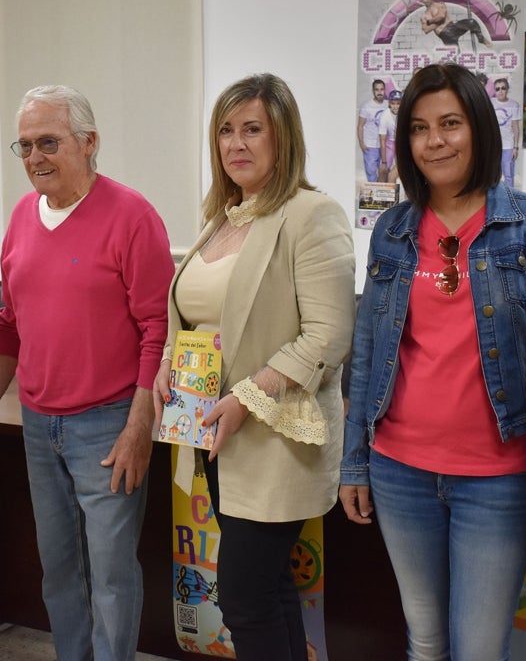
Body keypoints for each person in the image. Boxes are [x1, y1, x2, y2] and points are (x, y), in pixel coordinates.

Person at [340, 63, 526, 661]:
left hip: (501, 477)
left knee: (480, 649)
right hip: (399, 470)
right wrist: (354, 460)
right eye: (418, 127)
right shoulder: (393, 228)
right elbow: (368, 352)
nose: (434, 141)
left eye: (451, 124)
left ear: (480, 128)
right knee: (425, 640)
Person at [154, 73, 355, 661]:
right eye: (224, 130)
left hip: (274, 435)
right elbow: (196, 314)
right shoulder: (223, 218)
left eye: (252, 129)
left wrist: (249, 395)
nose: (236, 143)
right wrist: (170, 360)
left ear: (282, 137)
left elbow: (329, 333)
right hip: (216, 435)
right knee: (266, 589)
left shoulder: (311, 214)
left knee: (242, 596)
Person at [0, 85, 174, 661]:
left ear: (90, 143)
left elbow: (157, 331)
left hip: (110, 425)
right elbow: (10, 325)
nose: (35, 158)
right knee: (59, 570)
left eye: (49, 142)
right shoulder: (21, 218)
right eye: (24, 146)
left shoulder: (133, 216)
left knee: (113, 575)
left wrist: (138, 427)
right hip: (40, 426)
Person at [419, 0, 491, 49]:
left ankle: (481, 39)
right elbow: (426, 30)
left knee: (472, 22)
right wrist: (437, 21)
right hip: (444, 35)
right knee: (456, 56)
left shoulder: (439, 5)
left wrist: (430, 21)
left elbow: (441, 16)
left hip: (452, 28)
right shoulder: (424, 15)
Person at [491, 77, 522, 187]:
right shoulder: (490, 103)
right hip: (493, 146)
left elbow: (515, 127)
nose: (500, 91)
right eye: (497, 88)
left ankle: (509, 199)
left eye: (503, 88)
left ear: (507, 89)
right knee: (492, 174)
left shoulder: (514, 105)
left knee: (508, 174)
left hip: (508, 146)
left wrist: (515, 147)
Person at [358, 79, 389, 181]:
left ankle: (382, 196)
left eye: (381, 89)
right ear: (373, 91)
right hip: (370, 145)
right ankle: (373, 196)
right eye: (377, 90)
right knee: (371, 174)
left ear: (384, 90)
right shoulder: (366, 107)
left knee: (384, 173)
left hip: (385, 145)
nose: (379, 92)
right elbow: (360, 126)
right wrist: (362, 143)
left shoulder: (388, 105)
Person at [379, 89, 402, 183]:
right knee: (382, 171)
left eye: (398, 103)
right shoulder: (385, 115)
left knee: (395, 173)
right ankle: (379, 196)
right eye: (393, 103)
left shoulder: (406, 113)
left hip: (402, 143)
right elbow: (382, 140)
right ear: (389, 103)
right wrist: (384, 163)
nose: (395, 106)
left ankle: (396, 195)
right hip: (389, 143)